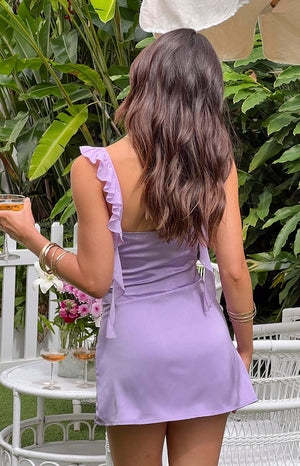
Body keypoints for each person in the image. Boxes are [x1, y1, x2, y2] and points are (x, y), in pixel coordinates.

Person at [0, 29, 257, 466]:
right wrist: (245, 349)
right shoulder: (217, 165)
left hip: (136, 347)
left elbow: (96, 282)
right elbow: (233, 270)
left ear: (144, 83)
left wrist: (32, 237)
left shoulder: (93, 168)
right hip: (203, 342)